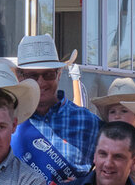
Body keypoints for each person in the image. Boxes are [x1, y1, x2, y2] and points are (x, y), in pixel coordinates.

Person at [14, 32, 101, 172]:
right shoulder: (4, 121)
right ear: (20, 78)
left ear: (59, 75)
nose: (41, 82)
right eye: (32, 76)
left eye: (48, 74)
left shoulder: (89, 123)